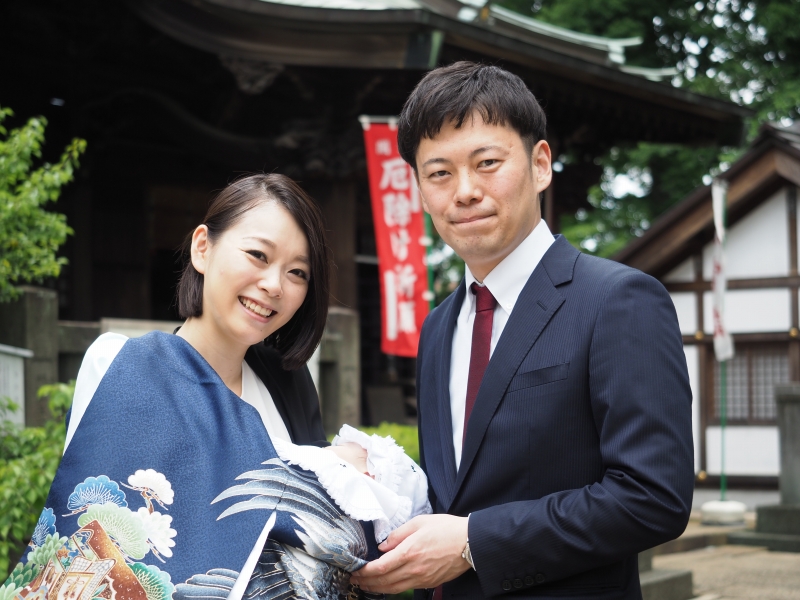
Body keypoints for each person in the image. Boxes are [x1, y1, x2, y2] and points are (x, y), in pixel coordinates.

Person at [350, 62, 694, 599]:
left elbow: (652, 498)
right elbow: (466, 487)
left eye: (487, 163)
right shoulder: (439, 327)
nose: (463, 191)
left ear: (540, 165)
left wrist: (473, 543)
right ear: (418, 189)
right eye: (438, 173)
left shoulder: (618, 300)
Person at [4, 174, 430, 600]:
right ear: (202, 247)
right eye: (258, 255)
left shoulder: (287, 383)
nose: (274, 285)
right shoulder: (122, 364)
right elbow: (103, 515)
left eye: (297, 272)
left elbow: (310, 528)